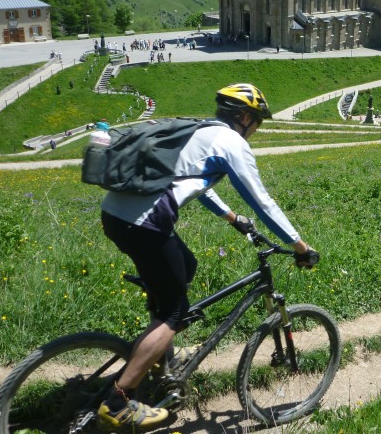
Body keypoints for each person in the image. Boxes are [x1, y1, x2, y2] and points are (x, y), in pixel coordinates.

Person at [96, 83, 319, 430]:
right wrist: (299, 245)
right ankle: (119, 401)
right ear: (244, 117)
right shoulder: (232, 143)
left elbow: (193, 182)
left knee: (187, 266)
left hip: (115, 213)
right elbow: (261, 201)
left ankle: (160, 354)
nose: (256, 129)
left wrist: (232, 219)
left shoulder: (201, 130)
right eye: (257, 121)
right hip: (144, 223)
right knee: (175, 311)